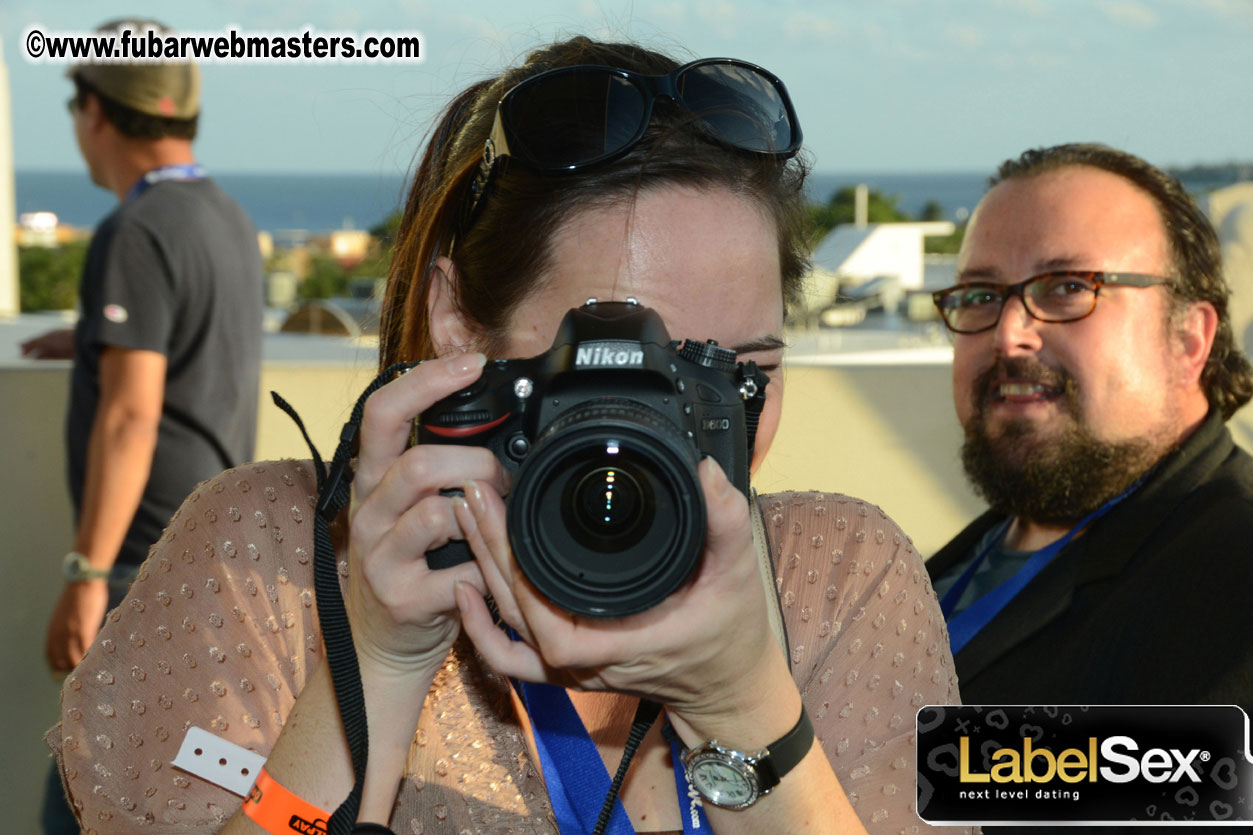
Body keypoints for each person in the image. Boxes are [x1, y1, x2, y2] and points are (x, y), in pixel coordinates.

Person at [48, 37, 966, 834]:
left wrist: (746, 708)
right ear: (456, 324)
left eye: (737, 373)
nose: (675, 433)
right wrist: (370, 671)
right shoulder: (269, 560)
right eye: (626, 365)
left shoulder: (837, 578)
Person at [21, 18, 264, 834]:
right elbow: (182, 347)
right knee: (180, 778)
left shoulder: (136, 229)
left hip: (141, 565)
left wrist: (87, 571)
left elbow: (131, 415)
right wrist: (98, 337)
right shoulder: (221, 214)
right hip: (212, 552)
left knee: (88, 788)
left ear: (95, 111)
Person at [927, 143, 1253, 711]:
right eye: (981, 296)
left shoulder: (1233, 578)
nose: (1009, 335)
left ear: (1189, 338)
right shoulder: (941, 567)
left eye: (1068, 287)